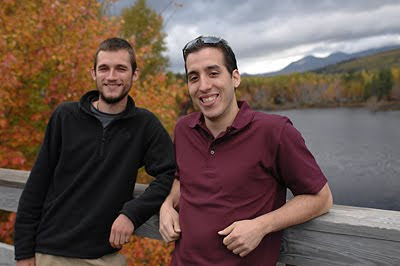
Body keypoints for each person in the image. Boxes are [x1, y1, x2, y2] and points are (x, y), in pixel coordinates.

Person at [159, 36, 333, 265]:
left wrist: (262, 225)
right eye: (194, 77)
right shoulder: (184, 129)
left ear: (235, 77)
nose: (203, 86)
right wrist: (168, 205)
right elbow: (183, 178)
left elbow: (321, 198)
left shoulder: (275, 132)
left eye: (213, 73)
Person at [14, 37, 176, 266]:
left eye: (121, 69)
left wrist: (132, 213)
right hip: (52, 253)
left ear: (135, 74)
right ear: (93, 73)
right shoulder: (65, 117)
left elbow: (170, 173)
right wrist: (23, 252)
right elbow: (36, 187)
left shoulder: (144, 125)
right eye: (104, 68)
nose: (111, 77)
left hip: (105, 257)